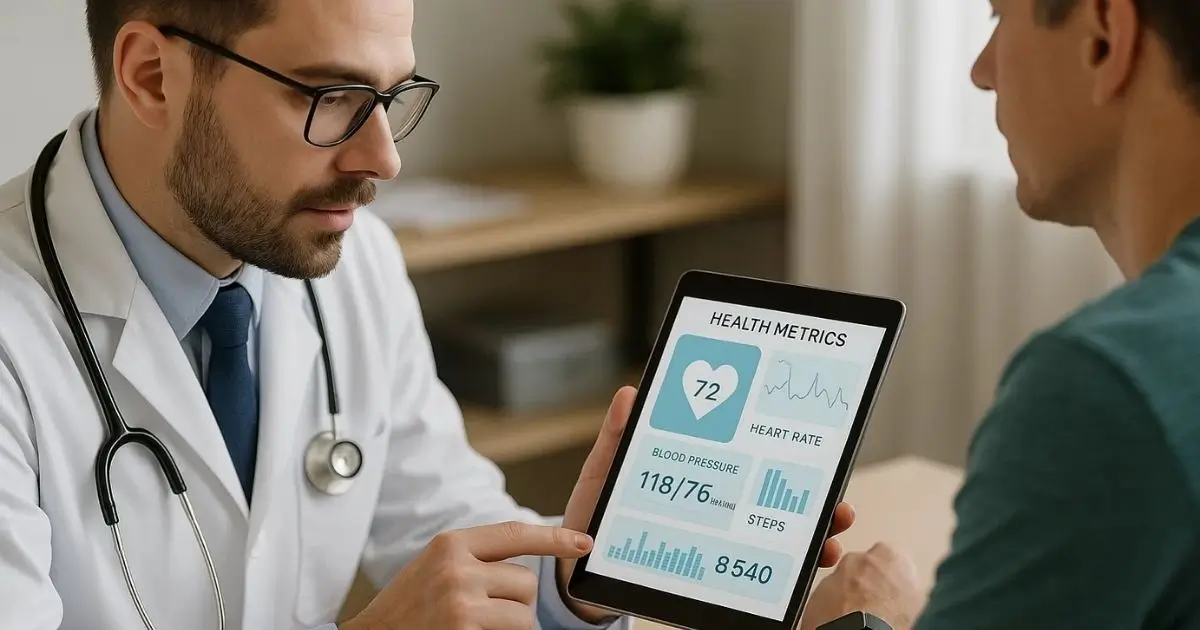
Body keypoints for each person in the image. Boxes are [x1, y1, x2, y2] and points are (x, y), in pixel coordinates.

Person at [0, 1, 856, 629]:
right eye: (332, 97)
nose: (385, 158)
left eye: (394, 96)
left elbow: (440, 524)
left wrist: (577, 578)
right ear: (152, 75)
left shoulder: (351, 262)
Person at [798, 0, 1200, 628]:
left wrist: (872, 621)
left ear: (1104, 37)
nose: (981, 72)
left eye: (997, 19)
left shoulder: (1105, 386)